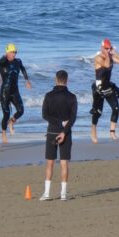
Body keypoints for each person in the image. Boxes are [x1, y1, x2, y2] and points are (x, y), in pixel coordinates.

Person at [39, 70, 77, 201]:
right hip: (66, 133)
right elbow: (73, 118)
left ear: (56, 80)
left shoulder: (49, 96)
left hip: (52, 132)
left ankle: (47, 193)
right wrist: (64, 131)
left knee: (50, 163)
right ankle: (63, 194)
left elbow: (45, 115)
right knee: (64, 163)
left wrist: (58, 123)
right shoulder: (72, 97)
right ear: (67, 80)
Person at [90, 38, 119, 143]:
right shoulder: (98, 58)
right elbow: (106, 65)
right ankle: (93, 131)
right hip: (99, 87)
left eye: (109, 48)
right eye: (106, 48)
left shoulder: (110, 56)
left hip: (108, 86)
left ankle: (112, 131)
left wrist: (116, 53)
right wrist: (107, 55)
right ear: (102, 48)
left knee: (116, 108)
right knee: (98, 112)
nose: (108, 50)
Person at [0, 43, 31, 144]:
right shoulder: (2, 62)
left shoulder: (18, 61)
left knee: (21, 110)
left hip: (15, 91)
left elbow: (23, 69)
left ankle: (11, 122)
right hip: (5, 92)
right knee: (6, 114)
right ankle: (3, 132)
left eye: (15, 52)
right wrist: (5, 55)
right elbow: (0, 61)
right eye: (11, 52)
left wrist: (27, 80)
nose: (13, 54)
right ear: (7, 52)